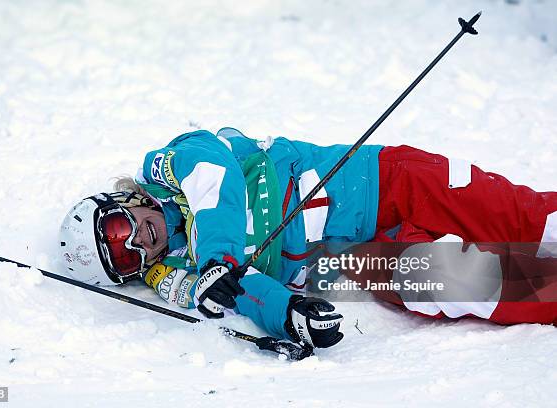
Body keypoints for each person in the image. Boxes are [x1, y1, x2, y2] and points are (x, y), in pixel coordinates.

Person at [59, 127, 557, 349]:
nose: (138, 243)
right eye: (126, 259)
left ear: (122, 203)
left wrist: (218, 259)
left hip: (387, 182)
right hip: (361, 256)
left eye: (120, 229)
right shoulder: (189, 271)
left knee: (529, 220)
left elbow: (211, 170)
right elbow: (244, 289)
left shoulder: (168, 165)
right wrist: (287, 313)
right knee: (446, 283)